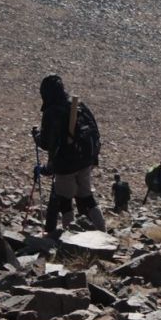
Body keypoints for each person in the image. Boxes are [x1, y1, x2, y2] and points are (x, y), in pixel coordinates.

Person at [37, 75, 105, 237]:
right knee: (87, 197)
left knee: (65, 200)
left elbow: (46, 143)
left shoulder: (52, 111)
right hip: (86, 160)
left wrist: (36, 136)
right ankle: (103, 232)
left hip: (66, 164)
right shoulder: (78, 105)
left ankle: (71, 236)